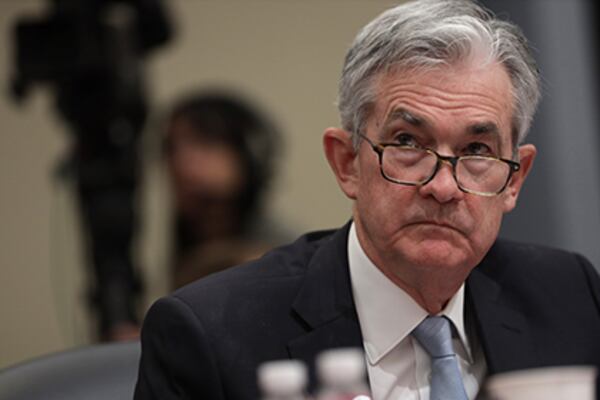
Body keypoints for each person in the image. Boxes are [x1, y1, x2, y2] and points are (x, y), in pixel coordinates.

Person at [134, 1, 600, 399]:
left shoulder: (568, 295)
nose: (442, 186)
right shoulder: (210, 334)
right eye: (408, 143)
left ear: (515, 179)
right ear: (347, 163)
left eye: (476, 150)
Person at [163, 91, 291, 288]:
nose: (181, 161)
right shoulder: (186, 240)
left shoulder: (284, 255)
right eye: (172, 148)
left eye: (204, 143)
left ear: (250, 153)